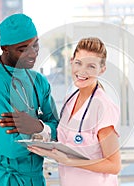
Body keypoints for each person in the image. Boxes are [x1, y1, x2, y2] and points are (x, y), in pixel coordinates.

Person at [0, 13, 58, 186]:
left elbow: (59, 133)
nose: (32, 54)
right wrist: (45, 133)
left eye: (35, 45)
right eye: (22, 49)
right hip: (0, 180)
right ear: (4, 48)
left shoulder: (39, 82)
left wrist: (37, 127)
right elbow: (11, 146)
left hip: (35, 180)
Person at [28, 37, 121, 186]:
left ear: (102, 69)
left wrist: (70, 161)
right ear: (72, 61)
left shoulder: (103, 107)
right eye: (78, 63)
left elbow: (114, 165)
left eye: (91, 66)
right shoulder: (70, 99)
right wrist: (45, 145)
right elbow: (66, 143)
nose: (82, 71)